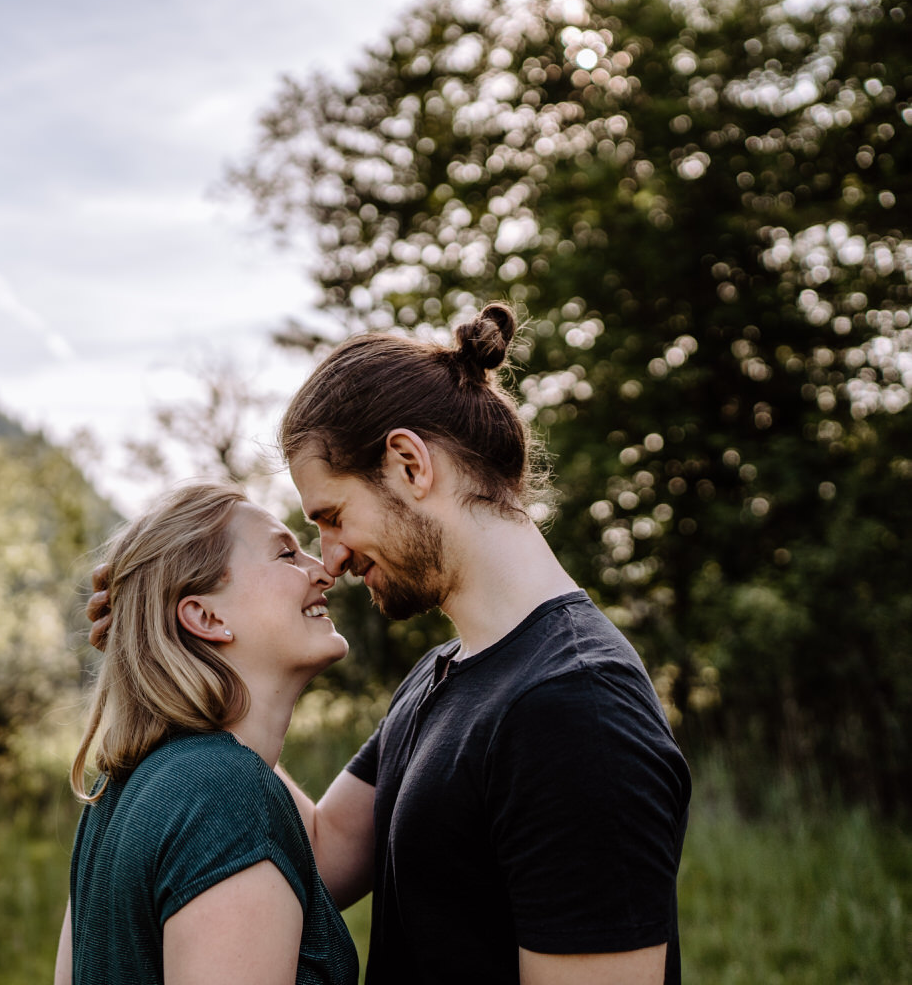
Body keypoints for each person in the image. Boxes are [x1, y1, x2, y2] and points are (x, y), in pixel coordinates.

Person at [89, 303, 691, 985]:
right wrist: (174, 650)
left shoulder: (575, 710)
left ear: (409, 463)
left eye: (333, 516)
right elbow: (318, 849)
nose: (331, 559)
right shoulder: (447, 674)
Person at [56, 482, 359, 985]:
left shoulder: (120, 796)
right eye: (286, 553)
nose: (324, 571)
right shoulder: (225, 791)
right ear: (205, 616)